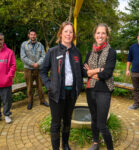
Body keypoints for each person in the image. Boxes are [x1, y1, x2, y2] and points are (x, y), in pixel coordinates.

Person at [40, 21, 83, 150]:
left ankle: (65, 144)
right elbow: (43, 71)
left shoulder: (77, 52)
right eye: (66, 31)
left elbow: (81, 71)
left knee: (67, 121)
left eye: (71, 32)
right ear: (61, 33)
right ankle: (56, 148)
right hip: (56, 93)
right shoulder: (53, 52)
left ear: (73, 35)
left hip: (72, 94)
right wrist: (49, 86)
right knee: (55, 123)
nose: (68, 34)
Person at [84, 23, 116, 150]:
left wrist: (91, 72)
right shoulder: (90, 51)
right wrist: (98, 71)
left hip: (104, 90)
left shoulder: (111, 52)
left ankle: (110, 148)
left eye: (103, 33)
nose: (100, 35)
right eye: (98, 33)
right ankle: (96, 143)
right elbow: (83, 69)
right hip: (90, 89)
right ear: (94, 35)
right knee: (94, 118)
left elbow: (107, 73)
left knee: (102, 124)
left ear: (107, 35)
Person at [20, 29, 49, 110]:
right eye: (31, 34)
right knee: (29, 87)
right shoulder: (24, 45)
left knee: (40, 87)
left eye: (34, 34)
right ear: (28, 35)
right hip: (28, 69)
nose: (33, 36)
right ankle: (30, 102)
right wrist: (32, 64)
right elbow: (23, 57)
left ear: (36, 35)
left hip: (39, 69)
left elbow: (43, 56)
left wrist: (38, 63)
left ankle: (42, 101)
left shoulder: (40, 45)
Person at [0, 33, 16, 123]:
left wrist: (8, 77)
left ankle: (7, 115)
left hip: (6, 82)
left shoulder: (9, 52)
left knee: (7, 100)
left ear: (3, 40)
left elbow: (13, 66)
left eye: (1, 40)